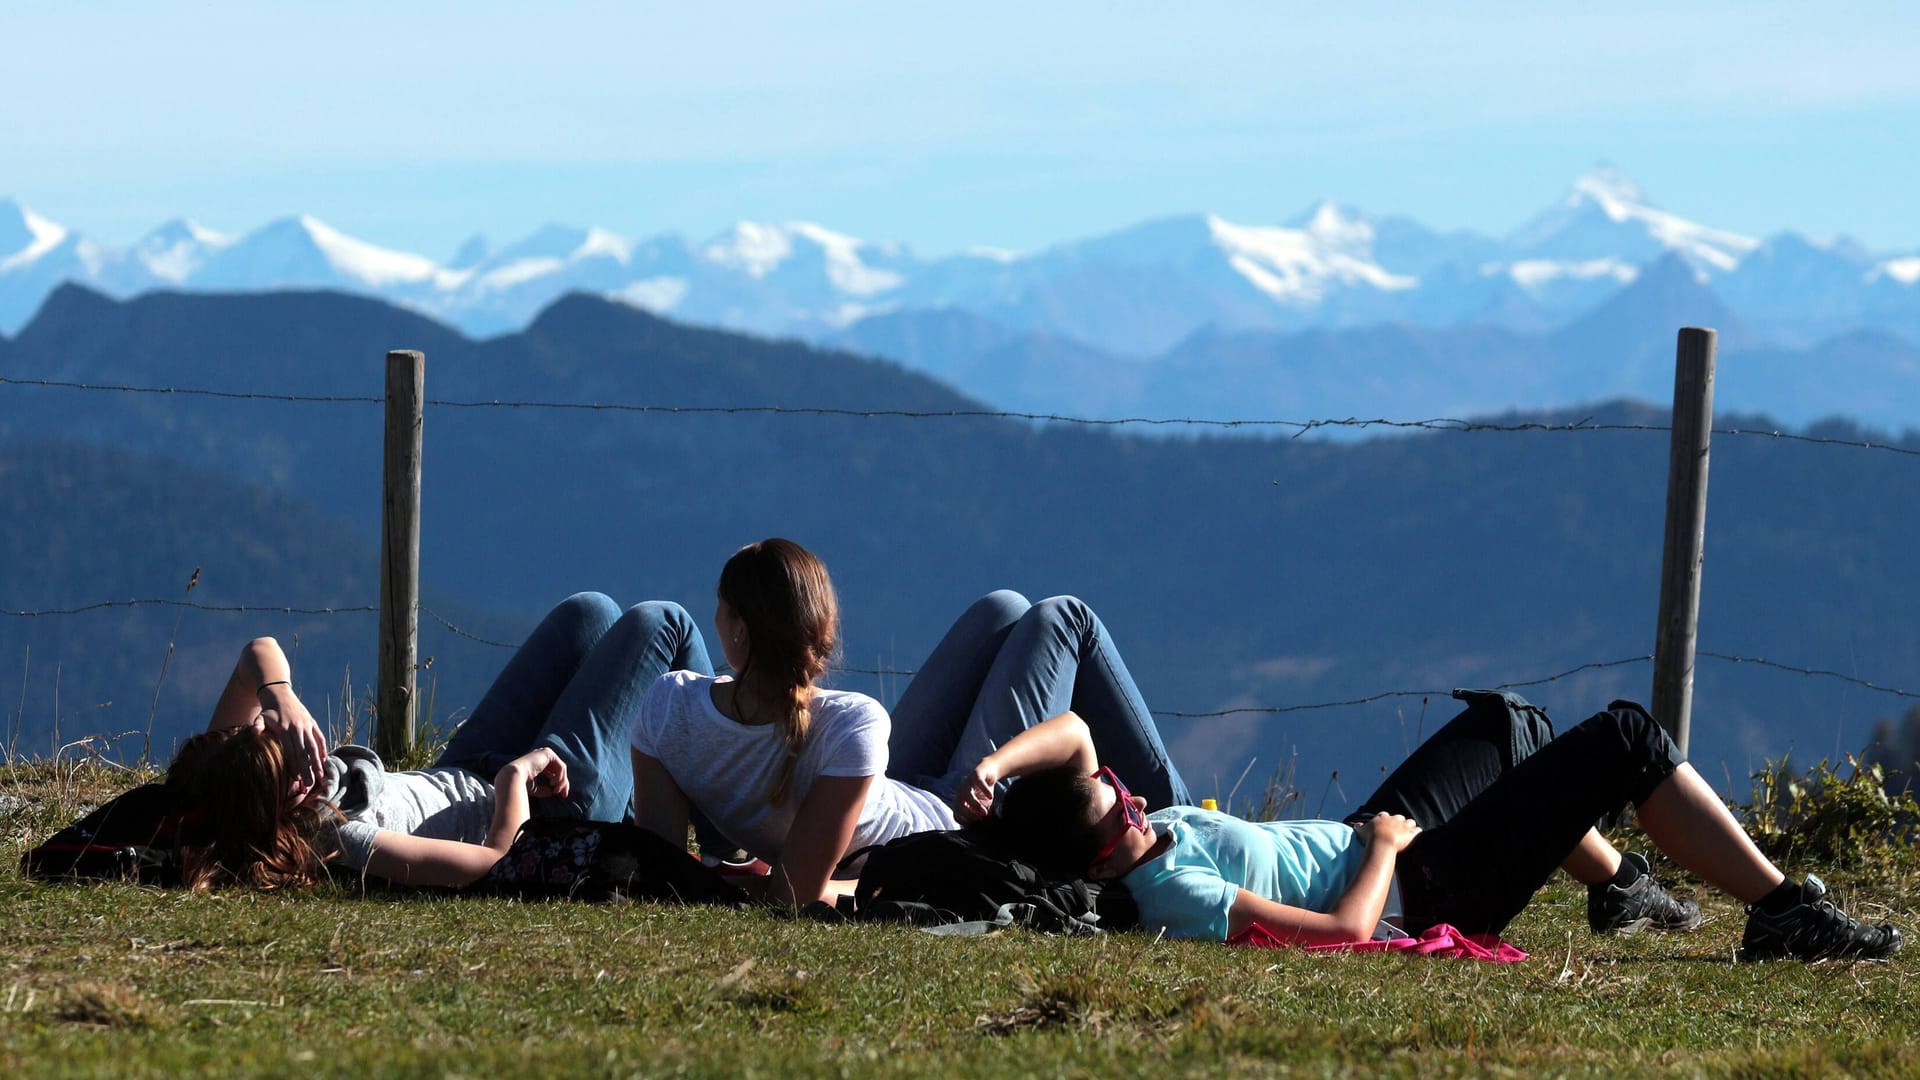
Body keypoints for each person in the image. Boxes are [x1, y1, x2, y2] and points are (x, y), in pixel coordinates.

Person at [994, 693, 1904, 963]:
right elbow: (1347, 935)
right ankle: (1782, 913)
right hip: (1410, 885)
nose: (1132, 792)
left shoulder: (1142, 836)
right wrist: (1386, 847)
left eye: (1118, 780)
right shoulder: (1171, 895)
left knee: (1509, 727)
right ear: (1107, 853)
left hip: (1369, 841)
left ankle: (1617, 888)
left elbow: (1075, 736)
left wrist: (991, 776)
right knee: (1626, 737)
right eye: (1118, 802)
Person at [629, 538, 1191, 907]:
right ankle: (1183, 829)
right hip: (950, 821)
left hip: (886, 785)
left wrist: (731, 875)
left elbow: (664, 868)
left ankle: (1176, 828)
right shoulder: (848, 722)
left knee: (1003, 608)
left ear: (740, 632)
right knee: (1062, 617)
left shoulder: (666, 707)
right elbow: (799, 895)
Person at [166, 592, 710, 889]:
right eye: (288, 773)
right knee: (663, 622)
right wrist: (517, 775)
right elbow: (493, 862)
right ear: (273, 810)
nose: (301, 762)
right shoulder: (337, 836)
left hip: (464, 767)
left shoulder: (225, 777)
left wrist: (277, 694)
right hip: (547, 808)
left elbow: (253, 656)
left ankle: (654, 802)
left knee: (589, 613)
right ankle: (720, 842)